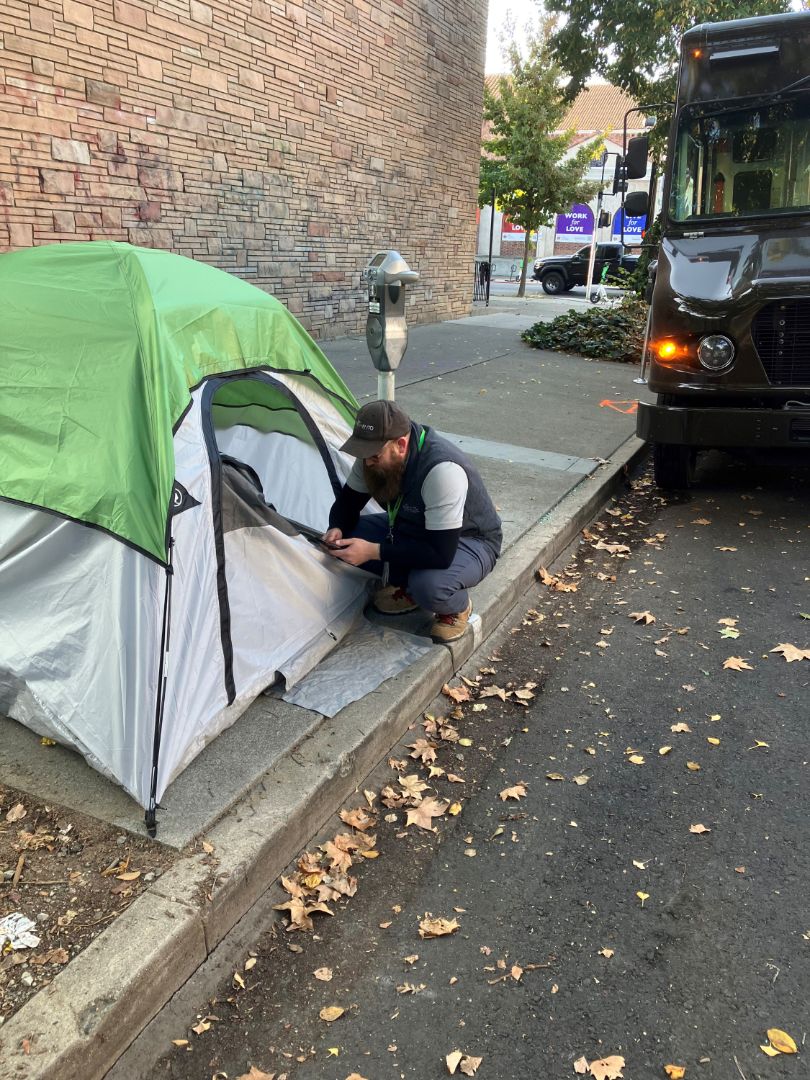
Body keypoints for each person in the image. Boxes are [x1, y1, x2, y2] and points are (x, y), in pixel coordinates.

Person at [323, 400, 502, 643]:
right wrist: (337, 527)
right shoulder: (372, 456)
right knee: (344, 540)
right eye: (363, 454)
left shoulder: (442, 470)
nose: (367, 463)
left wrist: (374, 551)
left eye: (374, 455)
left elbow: (440, 553)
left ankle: (456, 606)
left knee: (429, 586)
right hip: (414, 527)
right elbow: (347, 505)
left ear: (400, 445)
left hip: (467, 539)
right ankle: (406, 584)